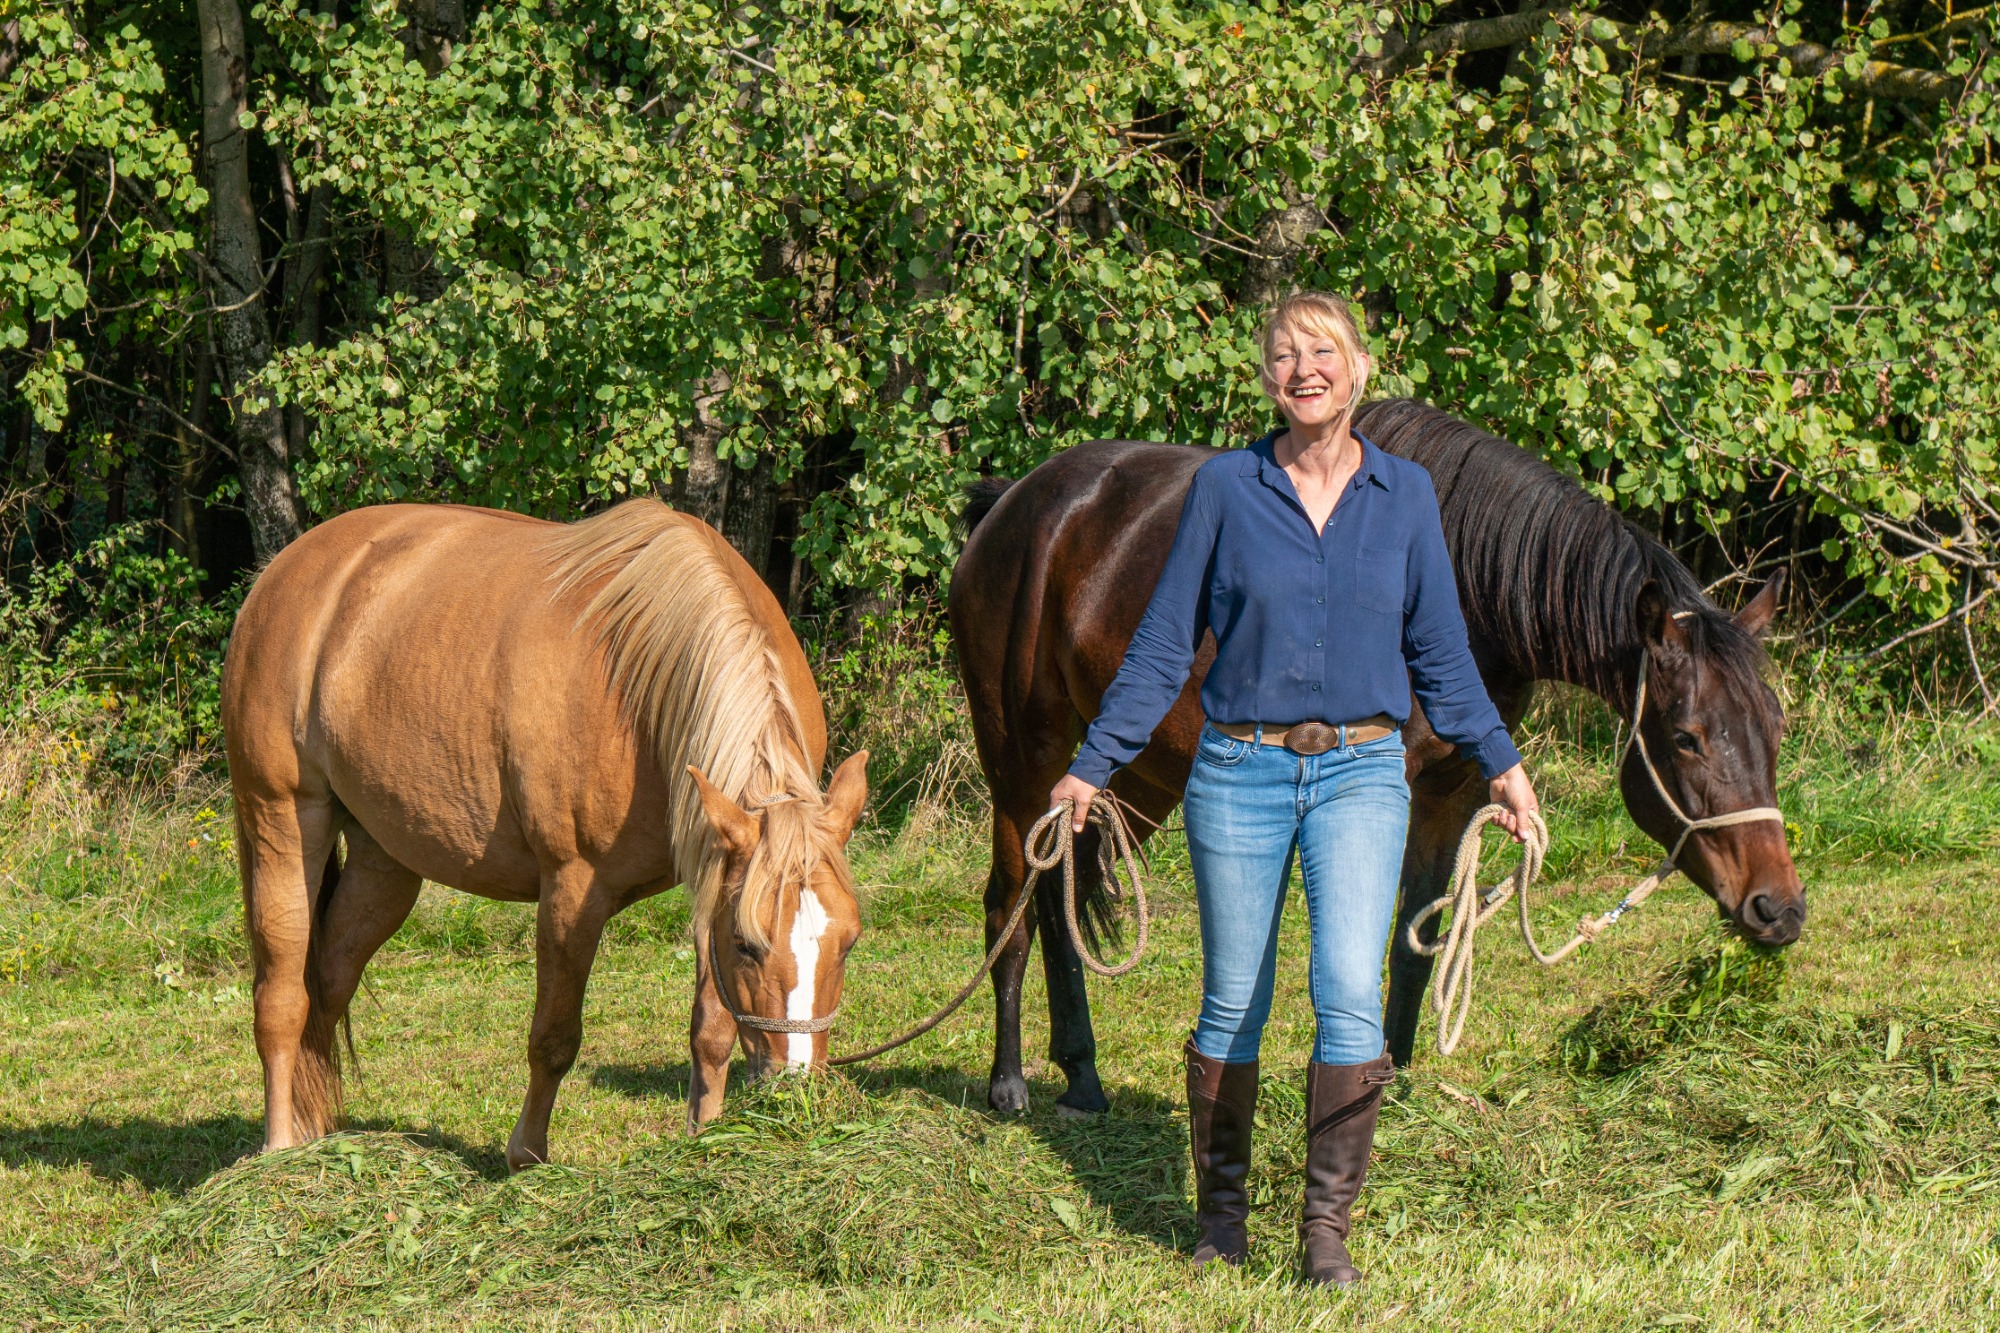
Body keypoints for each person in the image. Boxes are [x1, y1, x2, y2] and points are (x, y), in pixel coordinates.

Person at [1047, 292, 1539, 1287]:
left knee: (1348, 995)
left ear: (1358, 370)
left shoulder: (1404, 496)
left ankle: (1324, 1230)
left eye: (1321, 352)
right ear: (1266, 378)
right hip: (1239, 768)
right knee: (1234, 996)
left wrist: (1503, 760)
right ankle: (1221, 1218)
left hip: (1363, 770)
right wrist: (1092, 763)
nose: (1303, 369)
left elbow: (1441, 652)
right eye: (1283, 354)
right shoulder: (1226, 489)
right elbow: (1162, 644)